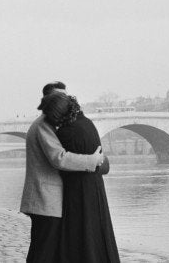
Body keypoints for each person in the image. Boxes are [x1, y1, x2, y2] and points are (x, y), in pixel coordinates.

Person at [20, 81, 105, 263]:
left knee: (42, 249)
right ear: (49, 101)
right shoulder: (43, 125)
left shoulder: (47, 124)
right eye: (61, 97)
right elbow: (59, 158)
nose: (65, 101)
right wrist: (93, 160)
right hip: (45, 199)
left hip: (45, 200)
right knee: (43, 251)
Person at [40, 92, 120, 262]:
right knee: (97, 234)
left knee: (79, 238)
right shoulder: (88, 124)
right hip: (95, 189)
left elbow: (61, 162)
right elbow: (102, 162)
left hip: (78, 192)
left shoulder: (67, 133)